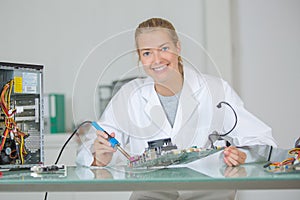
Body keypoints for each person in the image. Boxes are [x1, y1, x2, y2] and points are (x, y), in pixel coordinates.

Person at [76, 17, 277, 199]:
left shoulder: (215, 89)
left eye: (164, 48)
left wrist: (242, 154)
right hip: (151, 195)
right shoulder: (129, 96)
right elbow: (89, 150)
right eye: (147, 53)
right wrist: (99, 157)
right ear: (139, 57)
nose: (157, 60)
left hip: (210, 194)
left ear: (178, 47)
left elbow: (263, 141)